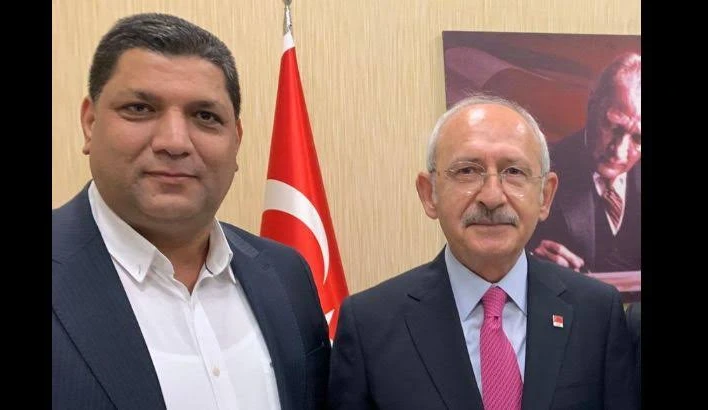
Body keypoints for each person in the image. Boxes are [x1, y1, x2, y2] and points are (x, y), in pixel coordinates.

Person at [52, 13, 330, 410]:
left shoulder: (286, 275)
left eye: (205, 116)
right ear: (90, 123)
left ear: (237, 139)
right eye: (140, 108)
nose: (175, 142)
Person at [328, 93, 638, 409]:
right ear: (429, 193)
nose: (492, 197)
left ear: (545, 196)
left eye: (514, 171)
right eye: (467, 171)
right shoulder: (370, 325)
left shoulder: (597, 313)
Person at [528, 52, 641, 273]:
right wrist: (531, 261)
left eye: (638, 139)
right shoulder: (539, 170)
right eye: (613, 127)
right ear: (591, 105)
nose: (619, 152)